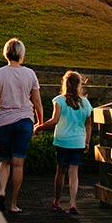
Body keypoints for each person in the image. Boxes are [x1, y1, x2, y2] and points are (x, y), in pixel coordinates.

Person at [0, 38, 42, 214]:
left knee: (4, 160)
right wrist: (40, 123)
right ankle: (13, 204)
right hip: (24, 120)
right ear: (21, 54)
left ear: (6, 53)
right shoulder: (30, 74)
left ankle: (1, 191)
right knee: (18, 163)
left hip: (3, 121)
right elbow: (37, 102)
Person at [38, 70, 94, 214]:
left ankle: (57, 201)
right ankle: (73, 203)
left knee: (61, 172)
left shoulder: (59, 100)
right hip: (78, 141)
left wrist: (40, 126)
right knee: (74, 173)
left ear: (64, 83)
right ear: (79, 85)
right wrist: (87, 141)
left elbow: (55, 120)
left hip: (62, 140)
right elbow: (88, 124)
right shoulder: (85, 103)